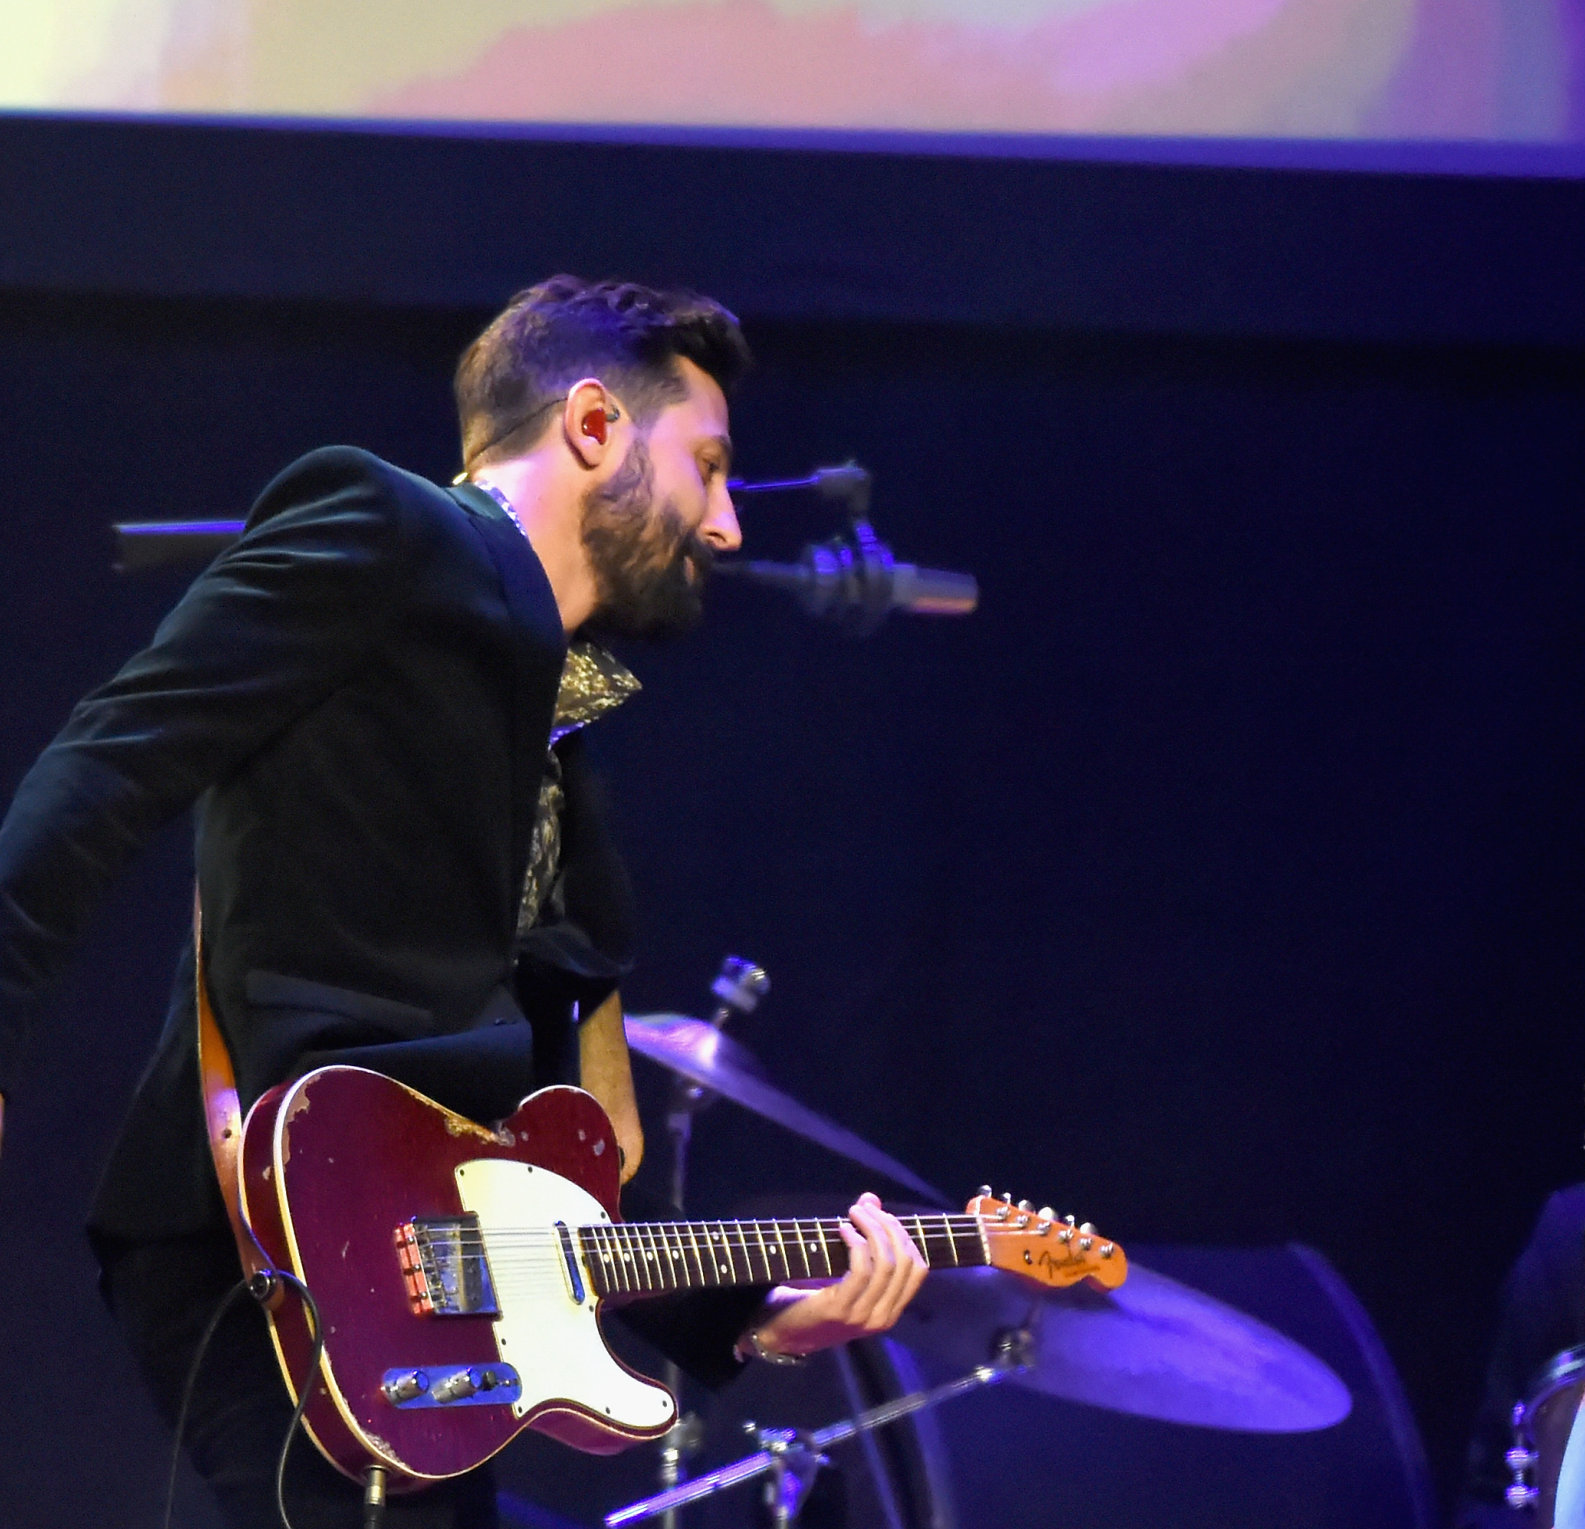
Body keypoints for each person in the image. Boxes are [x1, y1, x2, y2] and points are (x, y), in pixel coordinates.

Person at [0, 277, 928, 1526]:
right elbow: (108, 762)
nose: (724, 528)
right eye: (706, 468)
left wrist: (751, 1314)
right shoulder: (383, 529)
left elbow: (569, 1153)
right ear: (595, 426)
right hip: (279, 1239)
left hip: (431, 1294)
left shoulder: (559, 741)